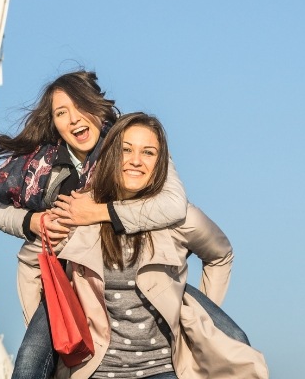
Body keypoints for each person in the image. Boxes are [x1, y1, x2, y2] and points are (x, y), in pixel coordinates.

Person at [0, 69, 213, 378]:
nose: (73, 119)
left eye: (80, 106)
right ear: (54, 123)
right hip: (69, 286)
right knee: (30, 362)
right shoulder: (40, 163)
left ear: (98, 107)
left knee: (233, 342)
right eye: (62, 112)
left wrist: (99, 212)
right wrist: (32, 221)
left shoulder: (129, 145)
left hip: (135, 277)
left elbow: (174, 205)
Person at [55, 112, 267, 378]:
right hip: (95, 369)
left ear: (160, 164)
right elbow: (32, 259)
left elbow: (221, 256)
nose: (135, 160)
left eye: (148, 152)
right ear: (111, 156)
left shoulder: (180, 218)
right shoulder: (81, 212)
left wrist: (201, 317)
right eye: (126, 150)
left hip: (161, 369)